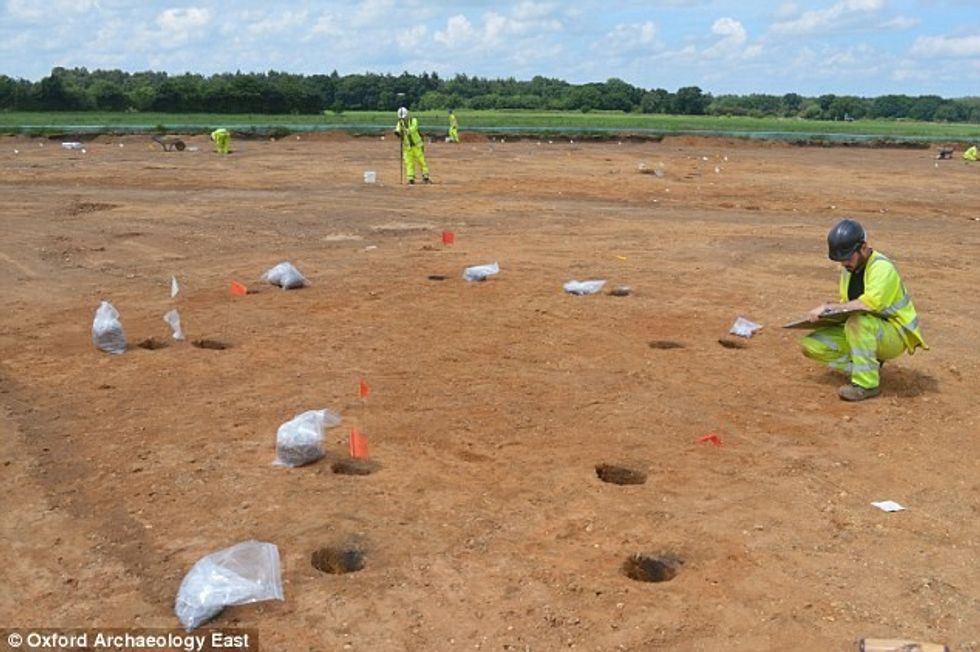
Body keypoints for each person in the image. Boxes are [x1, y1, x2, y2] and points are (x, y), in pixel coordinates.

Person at [799, 218, 927, 401]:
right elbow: (849, 305)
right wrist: (829, 315)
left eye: (848, 257)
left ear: (863, 247)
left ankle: (866, 384)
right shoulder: (848, 270)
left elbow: (868, 304)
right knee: (812, 345)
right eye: (841, 259)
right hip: (868, 330)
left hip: (895, 334)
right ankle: (867, 366)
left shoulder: (882, 268)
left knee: (858, 323)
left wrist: (830, 307)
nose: (844, 263)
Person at [394, 107, 430, 184]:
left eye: (404, 117)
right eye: (402, 118)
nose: (403, 119)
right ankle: (411, 178)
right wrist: (397, 132)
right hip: (407, 147)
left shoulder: (414, 120)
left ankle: (425, 176)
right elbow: (397, 129)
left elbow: (413, 128)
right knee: (409, 162)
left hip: (417, 146)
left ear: (407, 115)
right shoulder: (400, 122)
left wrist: (406, 131)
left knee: (421, 161)